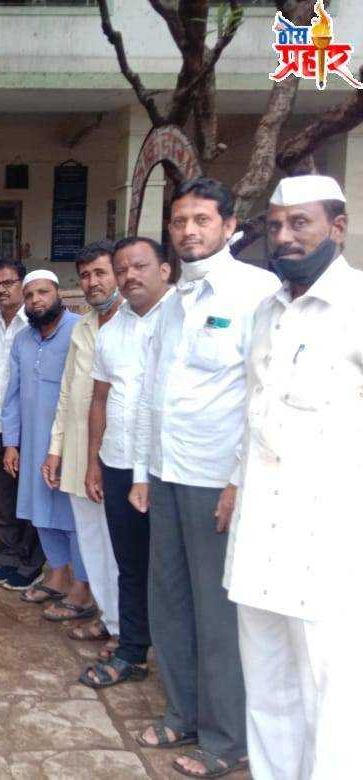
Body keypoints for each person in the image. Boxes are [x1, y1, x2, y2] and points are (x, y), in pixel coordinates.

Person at [129, 178, 279, 778]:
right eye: (180, 220)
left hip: (217, 480)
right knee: (169, 602)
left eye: (201, 220)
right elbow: (152, 397)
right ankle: (183, 713)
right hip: (167, 473)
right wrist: (142, 472)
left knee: (216, 613)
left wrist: (241, 480)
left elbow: (264, 398)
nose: (189, 230)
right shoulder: (174, 303)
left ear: (228, 224)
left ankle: (224, 739)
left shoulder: (256, 292)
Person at [225, 175, 360, 780]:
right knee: (268, 683)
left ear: (338, 226)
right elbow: (253, 414)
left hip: (331, 536)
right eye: (276, 224)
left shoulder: (357, 307)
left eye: (299, 222)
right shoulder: (266, 311)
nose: (284, 236)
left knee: (333, 693)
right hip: (261, 528)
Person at [80, 236, 172, 689]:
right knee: (130, 563)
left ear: (165, 270)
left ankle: (177, 664)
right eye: (123, 269)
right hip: (116, 462)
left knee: (172, 569)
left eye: (140, 266)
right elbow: (100, 399)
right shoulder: (111, 330)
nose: (130, 276)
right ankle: (133, 650)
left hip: (167, 468)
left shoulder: (178, 321)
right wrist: (94, 461)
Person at [41, 242, 121, 636]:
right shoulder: (84, 326)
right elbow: (69, 393)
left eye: (100, 273)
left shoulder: (137, 323)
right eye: (86, 275)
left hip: (118, 454)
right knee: (91, 539)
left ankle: (123, 627)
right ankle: (106, 616)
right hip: (77, 450)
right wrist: (55, 450)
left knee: (118, 543)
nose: (92, 282)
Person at [2, 271, 92, 618]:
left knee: (71, 515)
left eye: (43, 292)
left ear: (58, 293)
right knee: (39, 511)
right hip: (33, 441)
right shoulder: (23, 340)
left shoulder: (80, 330)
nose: (36, 300)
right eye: (29, 295)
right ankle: (57, 574)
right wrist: (11, 443)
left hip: (73, 443)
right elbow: (11, 395)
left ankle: (82, 587)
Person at [0, 259, 45, 591]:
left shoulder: (36, 326)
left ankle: (32, 564)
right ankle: (9, 560)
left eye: (9, 283)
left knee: (28, 497)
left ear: (22, 284)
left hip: (29, 431)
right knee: (1, 499)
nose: (2, 289)